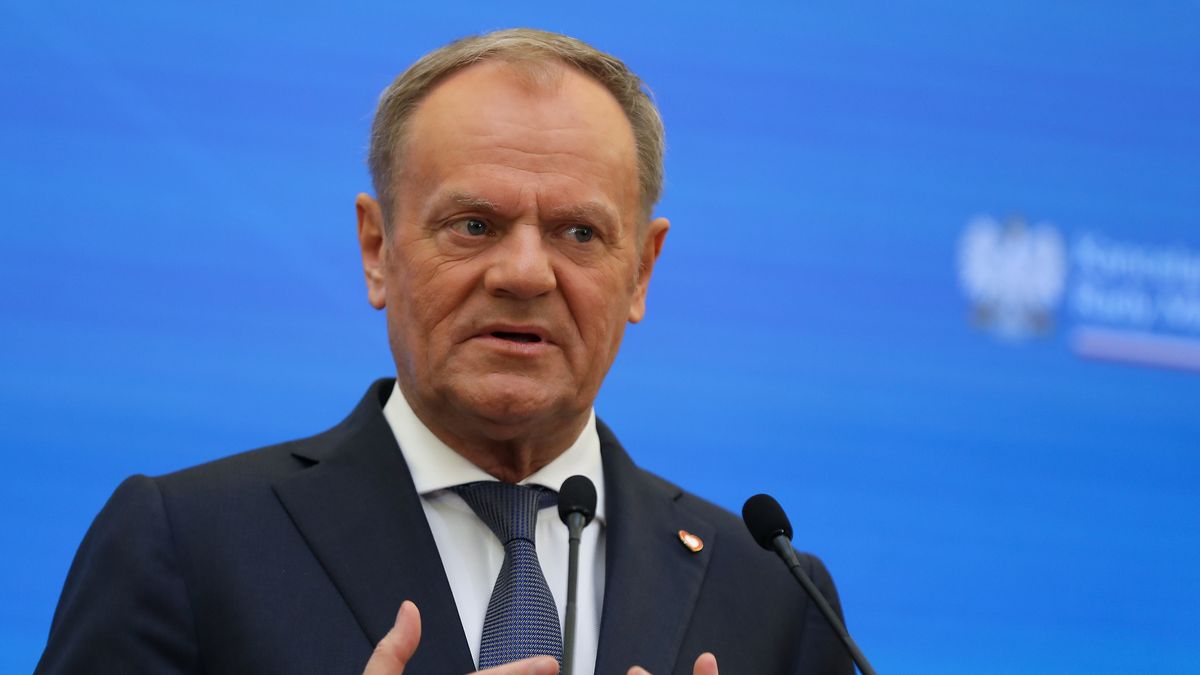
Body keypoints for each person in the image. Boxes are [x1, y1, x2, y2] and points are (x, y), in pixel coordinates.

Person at [35, 29, 854, 675]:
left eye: (579, 232)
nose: (525, 272)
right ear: (376, 248)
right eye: (474, 225)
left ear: (640, 270)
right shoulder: (188, 547)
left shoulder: (775, 597)